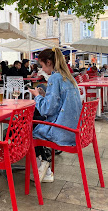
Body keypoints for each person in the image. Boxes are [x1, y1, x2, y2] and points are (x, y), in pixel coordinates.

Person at [29, 48, 82, 183]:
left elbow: (47, 110)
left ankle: (43, 165)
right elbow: (59, 104)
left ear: (48, 62)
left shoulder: (55, 78)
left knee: (29, 127)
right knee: (36, 121)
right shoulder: (70, 78)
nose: (42, 69)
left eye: (42, 66)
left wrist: (37, 97)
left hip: (62, 132)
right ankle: (45, 167)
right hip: (76, 131)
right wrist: (44, 96)